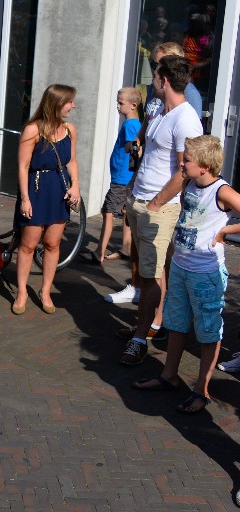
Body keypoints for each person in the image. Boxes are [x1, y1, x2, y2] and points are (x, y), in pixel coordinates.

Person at [131, 135, 240, 415]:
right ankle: (169, 376)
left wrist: (226, 231)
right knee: (177, 323)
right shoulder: (189, 182)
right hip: (180, 266)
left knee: (207, 331)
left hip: (205, 274)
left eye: (187, 160)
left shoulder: (221, 191)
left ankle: (201, 390)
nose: (182, 164)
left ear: (204, 166)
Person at [119, 54, 204, 365]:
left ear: (163, 80)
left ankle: (140, 338)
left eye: (154, 76)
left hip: (161, 208)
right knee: (151, 271)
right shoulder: (160, 112)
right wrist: (134, 191)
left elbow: (186, 170)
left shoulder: (186, 118)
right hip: (141, 200)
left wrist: (155, 203)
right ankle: (152, 324)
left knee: (153, 274)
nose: (150, 81)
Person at [11, 84, 80, 314]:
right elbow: (22, 166)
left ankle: (45, 291)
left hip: (59, 189)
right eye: (70, 102)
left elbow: (71, 161)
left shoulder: (70, 129)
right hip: (36, 187)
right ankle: (21, 291)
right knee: (29, 244)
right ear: (57, 103)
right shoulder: (33, 129)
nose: (73, 106)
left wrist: (76, 186)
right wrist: (25, 199)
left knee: (53, 243)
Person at [97, 87, 142, 263]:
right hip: (123, 176)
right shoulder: (133, 124)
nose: (117, 106)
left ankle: (99, 252)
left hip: (122, 178)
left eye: (121, 103)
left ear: (133, 105)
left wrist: (132, 152)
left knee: (108, 212)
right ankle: (126, 248)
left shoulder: (131, 125)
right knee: (125, 212)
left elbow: (136, 149)